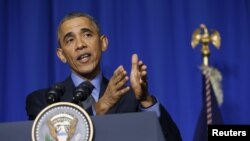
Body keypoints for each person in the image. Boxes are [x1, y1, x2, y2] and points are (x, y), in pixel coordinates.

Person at [26, 12, 182, 141]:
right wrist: (98, 109)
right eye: (70, 40)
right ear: (61, 55)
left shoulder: (130, 98)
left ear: (103, 43)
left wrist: (146, 100)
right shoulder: (44, 102)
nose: (80, 45)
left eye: (87, 35)